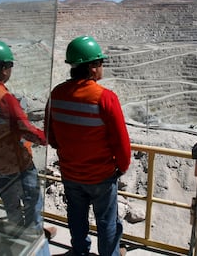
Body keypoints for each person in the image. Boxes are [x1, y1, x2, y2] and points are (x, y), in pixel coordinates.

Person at [45, 36, 131, 256]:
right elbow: (121, 142)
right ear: (92, 68)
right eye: (100, 63)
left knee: (76, 216)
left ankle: (80, 251)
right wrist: (121, 166)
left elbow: (51, 136)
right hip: (100, 176)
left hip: (70, 173)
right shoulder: (105, 98)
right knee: (107, 222)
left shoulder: (56, 94)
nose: (102, 67)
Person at [0, 40, 56, 244]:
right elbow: (26, 129)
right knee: (33, 201)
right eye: (10, 66)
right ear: (2, 69)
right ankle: (34, 241)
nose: (10, 70)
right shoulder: (3, 97)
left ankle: (17, 240)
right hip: (18, 164)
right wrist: (47, 138)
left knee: (11, 206)